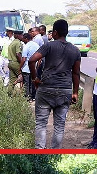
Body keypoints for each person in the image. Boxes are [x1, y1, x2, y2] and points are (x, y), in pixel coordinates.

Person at [28, 19, 81, 149]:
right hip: (65, 91)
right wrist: (75, 92)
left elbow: (31, 60)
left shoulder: (49, 46)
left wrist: (35, 78)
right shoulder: (75, 50)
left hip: (46, 89)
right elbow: (76, 73)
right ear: (66, 32)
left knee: (41, 123)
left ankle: (39, 150)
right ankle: (54, 151)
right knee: (59, 125)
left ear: (55, 33)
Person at [18, 32, 40, 101]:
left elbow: (24, 59)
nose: (22, 41)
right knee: (33, 83)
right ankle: (33, 96)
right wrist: (37, 66)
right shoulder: (36, 45)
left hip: (26, 68)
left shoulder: (26, 46)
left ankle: (28, 97)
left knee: (27, 84)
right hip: (34, 68)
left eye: (23, 39)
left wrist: (20, 68)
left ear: (26, 39)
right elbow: (40, 58)